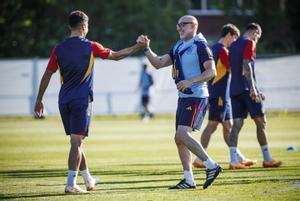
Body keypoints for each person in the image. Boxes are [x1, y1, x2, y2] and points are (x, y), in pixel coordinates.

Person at [34, 10, 144, 194]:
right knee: (77, 143)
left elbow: (47, 75)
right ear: (84, 26)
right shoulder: (90, 46)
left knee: (76, 141)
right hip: (81, 100)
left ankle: (88, 180)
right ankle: (70, 184)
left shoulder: (58, 48)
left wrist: (39, 99)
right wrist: (138, 46)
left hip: (64, 100)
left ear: (70, 26)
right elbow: (116, 55)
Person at [137, 15, 222, 189]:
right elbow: (159, 63)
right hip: (184, 98)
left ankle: (212, 166)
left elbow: (211, 71)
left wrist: (190, 81)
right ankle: (188, 179)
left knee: (182, 135)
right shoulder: (178, 46)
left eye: (183, 25)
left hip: (196, 95)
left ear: (194, 26)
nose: (179, 28)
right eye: (178, 25)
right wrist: (146, 49)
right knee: (179, 138)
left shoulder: (200, 45)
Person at [193, 24, 256, 169]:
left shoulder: (213, 49)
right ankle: (199, 158)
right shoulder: (223, 51)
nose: (234, 42)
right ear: (229, 35)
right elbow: (233, 69)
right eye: (234, 38)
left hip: (220, 95)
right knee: (212, 125)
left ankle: (237, 157)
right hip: (220, 95)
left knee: (228, 126)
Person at [228, 23, 282, 169]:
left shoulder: (232, 46)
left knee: (237, 125)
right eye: (258, 36)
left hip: (234, 90)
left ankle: (233, 161)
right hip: (247, 91)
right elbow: (247, 66)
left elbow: (233, 69)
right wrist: (253, 89)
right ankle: (267, 159)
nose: (257, 39)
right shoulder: (250, 42)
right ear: (255, 33)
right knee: (261, 122)